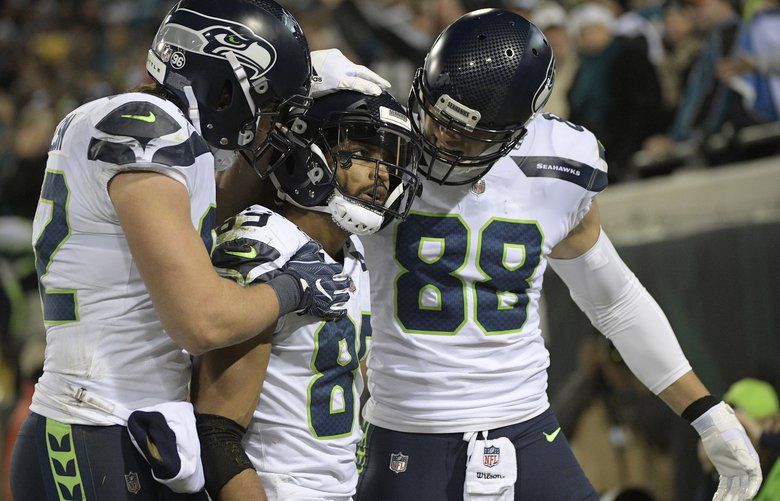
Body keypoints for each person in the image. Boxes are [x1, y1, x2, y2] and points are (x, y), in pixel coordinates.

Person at [355, 9, 762, 501]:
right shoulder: (373, 149)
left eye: (465, 134)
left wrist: (706, 412)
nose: (441, 139)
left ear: (517, 130)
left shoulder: (558, 169)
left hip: (527, 430)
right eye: (436, 118)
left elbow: (614, 302)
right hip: (408, 433)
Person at [8, 1, 358, 499]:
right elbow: (201, 323)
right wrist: (291, 288)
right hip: (95, 427)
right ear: (223, 85)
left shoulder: (137, 126)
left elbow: (199, 218)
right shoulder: (148, 129)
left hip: (113, 426)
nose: (267, 121)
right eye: (268, 101)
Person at [192, 90, 421, 500]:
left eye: (388, 156)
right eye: (363, 151)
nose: (384, 172)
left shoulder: (352, 252)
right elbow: (216, 436)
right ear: (311, 153)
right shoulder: (263, 244)